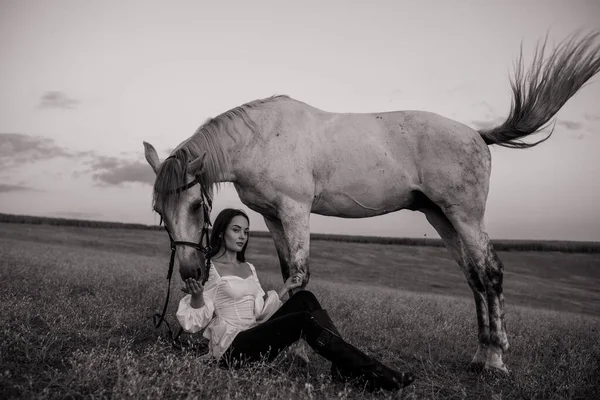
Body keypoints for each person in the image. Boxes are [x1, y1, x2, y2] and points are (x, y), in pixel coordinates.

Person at [176, 208, 415, 391]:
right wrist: (197, 296)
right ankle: (373, 372)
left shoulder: (247, 267)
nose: (242, 236)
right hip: (233, 348)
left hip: (256, 335)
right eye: (236, 230)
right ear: (220, 232)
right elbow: (196, 321)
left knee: (304, 297)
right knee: (302, 320)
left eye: (246, 231)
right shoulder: (210, 269)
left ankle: (345, 368)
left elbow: (259, 311)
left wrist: (284, 289)